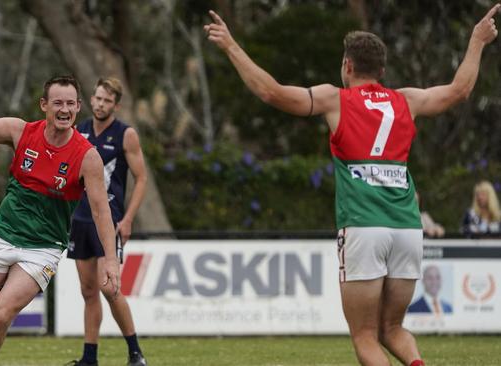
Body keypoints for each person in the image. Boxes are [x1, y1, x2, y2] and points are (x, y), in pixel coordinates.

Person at [205, 4, 498, 366]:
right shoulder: (407, 100)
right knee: (392, 328)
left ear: (347, 66)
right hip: (408, 227)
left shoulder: (335, 99)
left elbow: (272, 93)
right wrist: (477, 40)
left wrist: (231, 46)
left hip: (363, 227)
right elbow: (459, 90)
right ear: (382, 71)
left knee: (363, 336)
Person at [0, 45, 120, 366]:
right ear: (44, 105)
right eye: (58, 103)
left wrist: (111, 259)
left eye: (71, 104)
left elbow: (102, 210)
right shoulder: (21, 132)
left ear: (79, 107)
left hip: (42, 248)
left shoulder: (87, 156)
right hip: (3, 235)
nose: (64, 109)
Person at [67, 78, 148, 366]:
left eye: (107, 100)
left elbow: (141, 178)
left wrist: (128, 218)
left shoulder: (126, 134)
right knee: (88, 291)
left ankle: (135, 353)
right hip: (80, 219)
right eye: (97, 98)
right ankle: (90, 358)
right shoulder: (79, 130)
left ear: (116, 105)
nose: (100, 104)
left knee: (109, 288)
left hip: (109, 221)